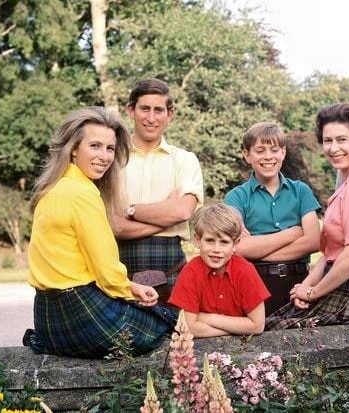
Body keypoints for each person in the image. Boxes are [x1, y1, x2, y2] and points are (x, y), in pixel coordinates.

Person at [23, 107, 176, 358]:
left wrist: (128, 289)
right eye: (95, 146)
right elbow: (106, 272)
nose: (104, 156)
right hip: (78, 312)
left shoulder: (52, 189)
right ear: (73, 149)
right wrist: (130, 288)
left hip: (46, 317)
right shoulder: (83, 193)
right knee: (164, 324)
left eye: (110, 148)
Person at [266, 103, 349, 330]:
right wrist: (305, 287)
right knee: (272, 328)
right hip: (343, 282)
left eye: (342, 140)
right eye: (328, 141)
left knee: (275, 333)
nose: (333, 148)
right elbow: (331, 254)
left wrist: (313, 292)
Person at [111, 78, 204, 303]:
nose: (151, 118)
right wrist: (165, 215)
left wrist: (130, 210)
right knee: (123, 338)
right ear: (131, 110)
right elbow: (111, 225)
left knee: (176, 336)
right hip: (119, 267)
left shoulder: (185, 160)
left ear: (169, 114)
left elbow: (182, 212)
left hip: (171, 266)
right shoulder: (112, 158)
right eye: (144, 109)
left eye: (158, 110)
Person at [224, 122, 321, 314]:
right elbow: (238, 248)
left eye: (274, 150)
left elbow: (314, 241)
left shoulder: (301, 191)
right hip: (254, 282)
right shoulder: (236, 197)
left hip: (298, 282)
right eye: (260, 150)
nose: (268, 157)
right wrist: (293, 233)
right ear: (247, 155)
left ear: (283, 153)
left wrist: (256, 251)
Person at [167, 203, 271, 337]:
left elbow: (257, 325)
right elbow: (189, 327)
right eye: (210, 240)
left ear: (235, 244)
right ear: (197, 240)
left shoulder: (245, 271)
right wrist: (235, 330)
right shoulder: (190, 272)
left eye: (224, 242)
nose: (216, 249)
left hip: (244, 346)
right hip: (201, 347)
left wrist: (206, 318)